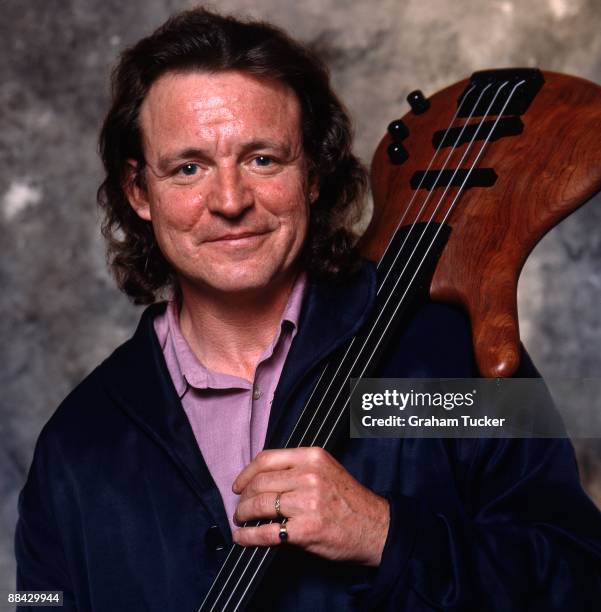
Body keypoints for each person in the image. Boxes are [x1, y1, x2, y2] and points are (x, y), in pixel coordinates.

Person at [14, 7, 601, 612]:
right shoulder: (77, 444)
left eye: (262, 159)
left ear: (313, 174)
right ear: (140, 191)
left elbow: (583, 578)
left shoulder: (451, 361)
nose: (230, 201)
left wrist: (386, 534)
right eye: (188, 168)